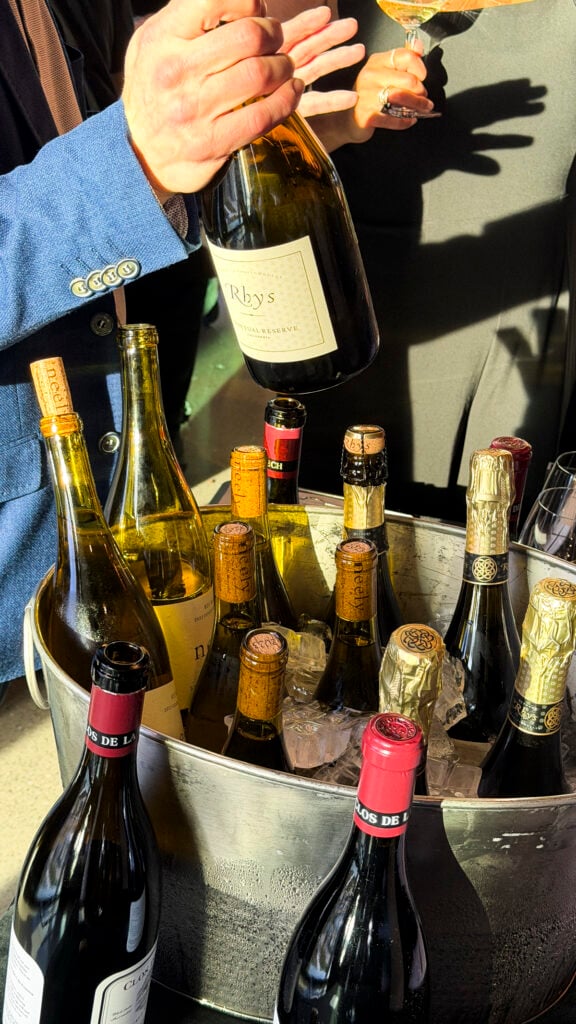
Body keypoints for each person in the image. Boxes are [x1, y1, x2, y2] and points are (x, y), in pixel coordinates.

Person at [0, 0, 365, 692]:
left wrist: (239, 140)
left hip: (122, 578)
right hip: (9, 636)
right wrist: (132, 160)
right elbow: (108, 167)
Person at [272, 0, 576, 525]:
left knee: (491, 536)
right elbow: (260, 139)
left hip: (528, 312)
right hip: (359, 303)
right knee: (341, 541)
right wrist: (342, 119)